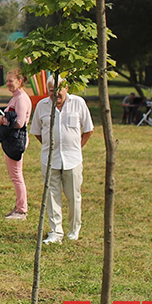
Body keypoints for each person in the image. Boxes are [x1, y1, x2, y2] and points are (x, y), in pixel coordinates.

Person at [29, 76, 94, 244]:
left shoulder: (78, 103)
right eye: (51, 91)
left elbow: (88, 130)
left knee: (74, 196)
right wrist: (49, 146)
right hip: (50, 159)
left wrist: (78, 147)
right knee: (51, 196)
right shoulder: (42, 106)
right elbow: (36, 131)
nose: (55, 94)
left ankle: (74, 231)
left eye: (58, 90)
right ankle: (56, 232)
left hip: (73, 159)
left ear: (66, 88)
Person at [0, 69, 33, 221]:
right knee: (14, 175)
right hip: (12, 139)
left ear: (20, 81)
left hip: (16, 139)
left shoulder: (21, 99)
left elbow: (19, 122)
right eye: (7, 81)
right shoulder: (16, 97)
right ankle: (19, 207)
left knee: (17, 175)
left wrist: (3, 121)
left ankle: (21, 210)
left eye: (11, 81)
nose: (8, 84)